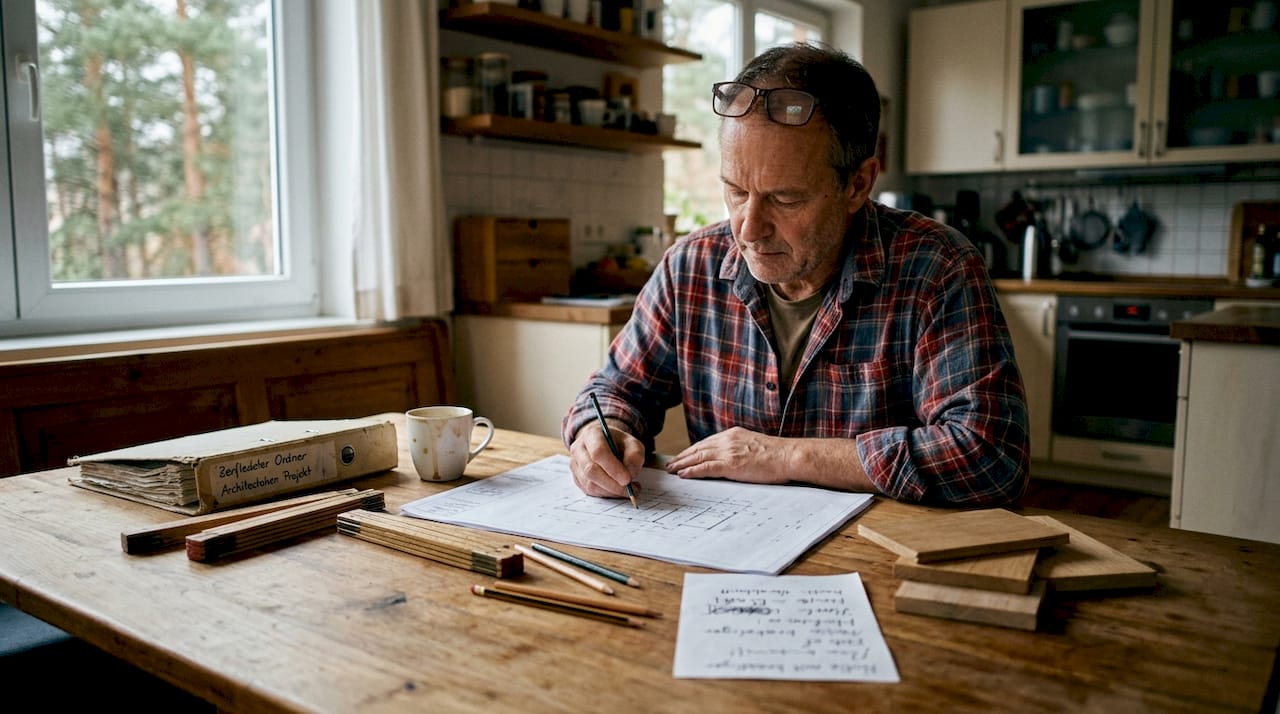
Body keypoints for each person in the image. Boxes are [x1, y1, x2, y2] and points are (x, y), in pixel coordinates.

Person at [561, 43, 1029, 506]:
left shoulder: (937, 267)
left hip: (878, 553)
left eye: (785, 199)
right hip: (729, 548)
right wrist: (600, 433)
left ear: (858, 184)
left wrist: (787, 457)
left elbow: (990, 456)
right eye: (736, 190)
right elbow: (614, 391)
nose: (748, 229)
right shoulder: (692, 266)